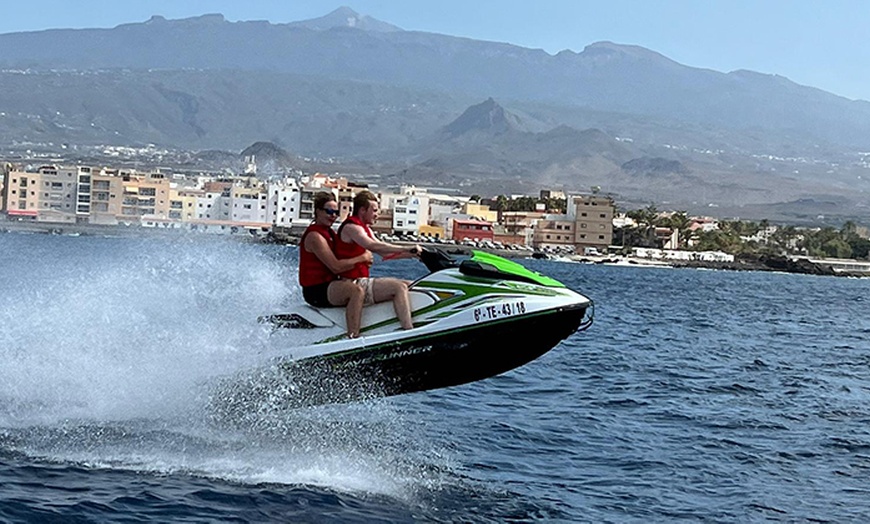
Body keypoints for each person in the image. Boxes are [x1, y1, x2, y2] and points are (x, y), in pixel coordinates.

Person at [334, 190, 421, 331]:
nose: (377, 214)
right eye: (374, 210)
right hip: (352, 282)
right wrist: (407, 247)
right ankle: (408, 330)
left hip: (361, 280)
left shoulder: (365, 229)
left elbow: (383, 252)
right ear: (363, 210)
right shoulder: (352, 227)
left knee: (414, 285)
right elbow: (372, 245)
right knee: (398, 287)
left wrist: (413, 255)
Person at [299, 191, 373, 338]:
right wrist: (362, 258)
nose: (333, 215)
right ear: (317, 211)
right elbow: (336, 267)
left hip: (332, 284)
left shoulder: (331, 233)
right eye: (329, 211)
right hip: (316, 290)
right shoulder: (315, 237)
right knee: (356, 291)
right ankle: (353, 336)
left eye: (336, 212)